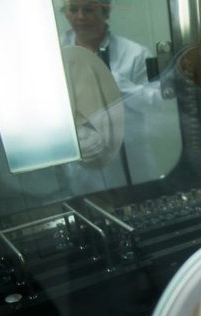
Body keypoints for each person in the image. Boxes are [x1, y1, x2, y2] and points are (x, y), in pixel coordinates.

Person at [60, 0, 163, 190]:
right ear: (65, 13)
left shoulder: (135, 54)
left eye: (89, 9)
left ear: (105, 12)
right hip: (81, 166)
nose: (80, 16)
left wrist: (114, 82)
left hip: (132, 160)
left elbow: (155, 103)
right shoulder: (54, 54)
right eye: (73, 9)